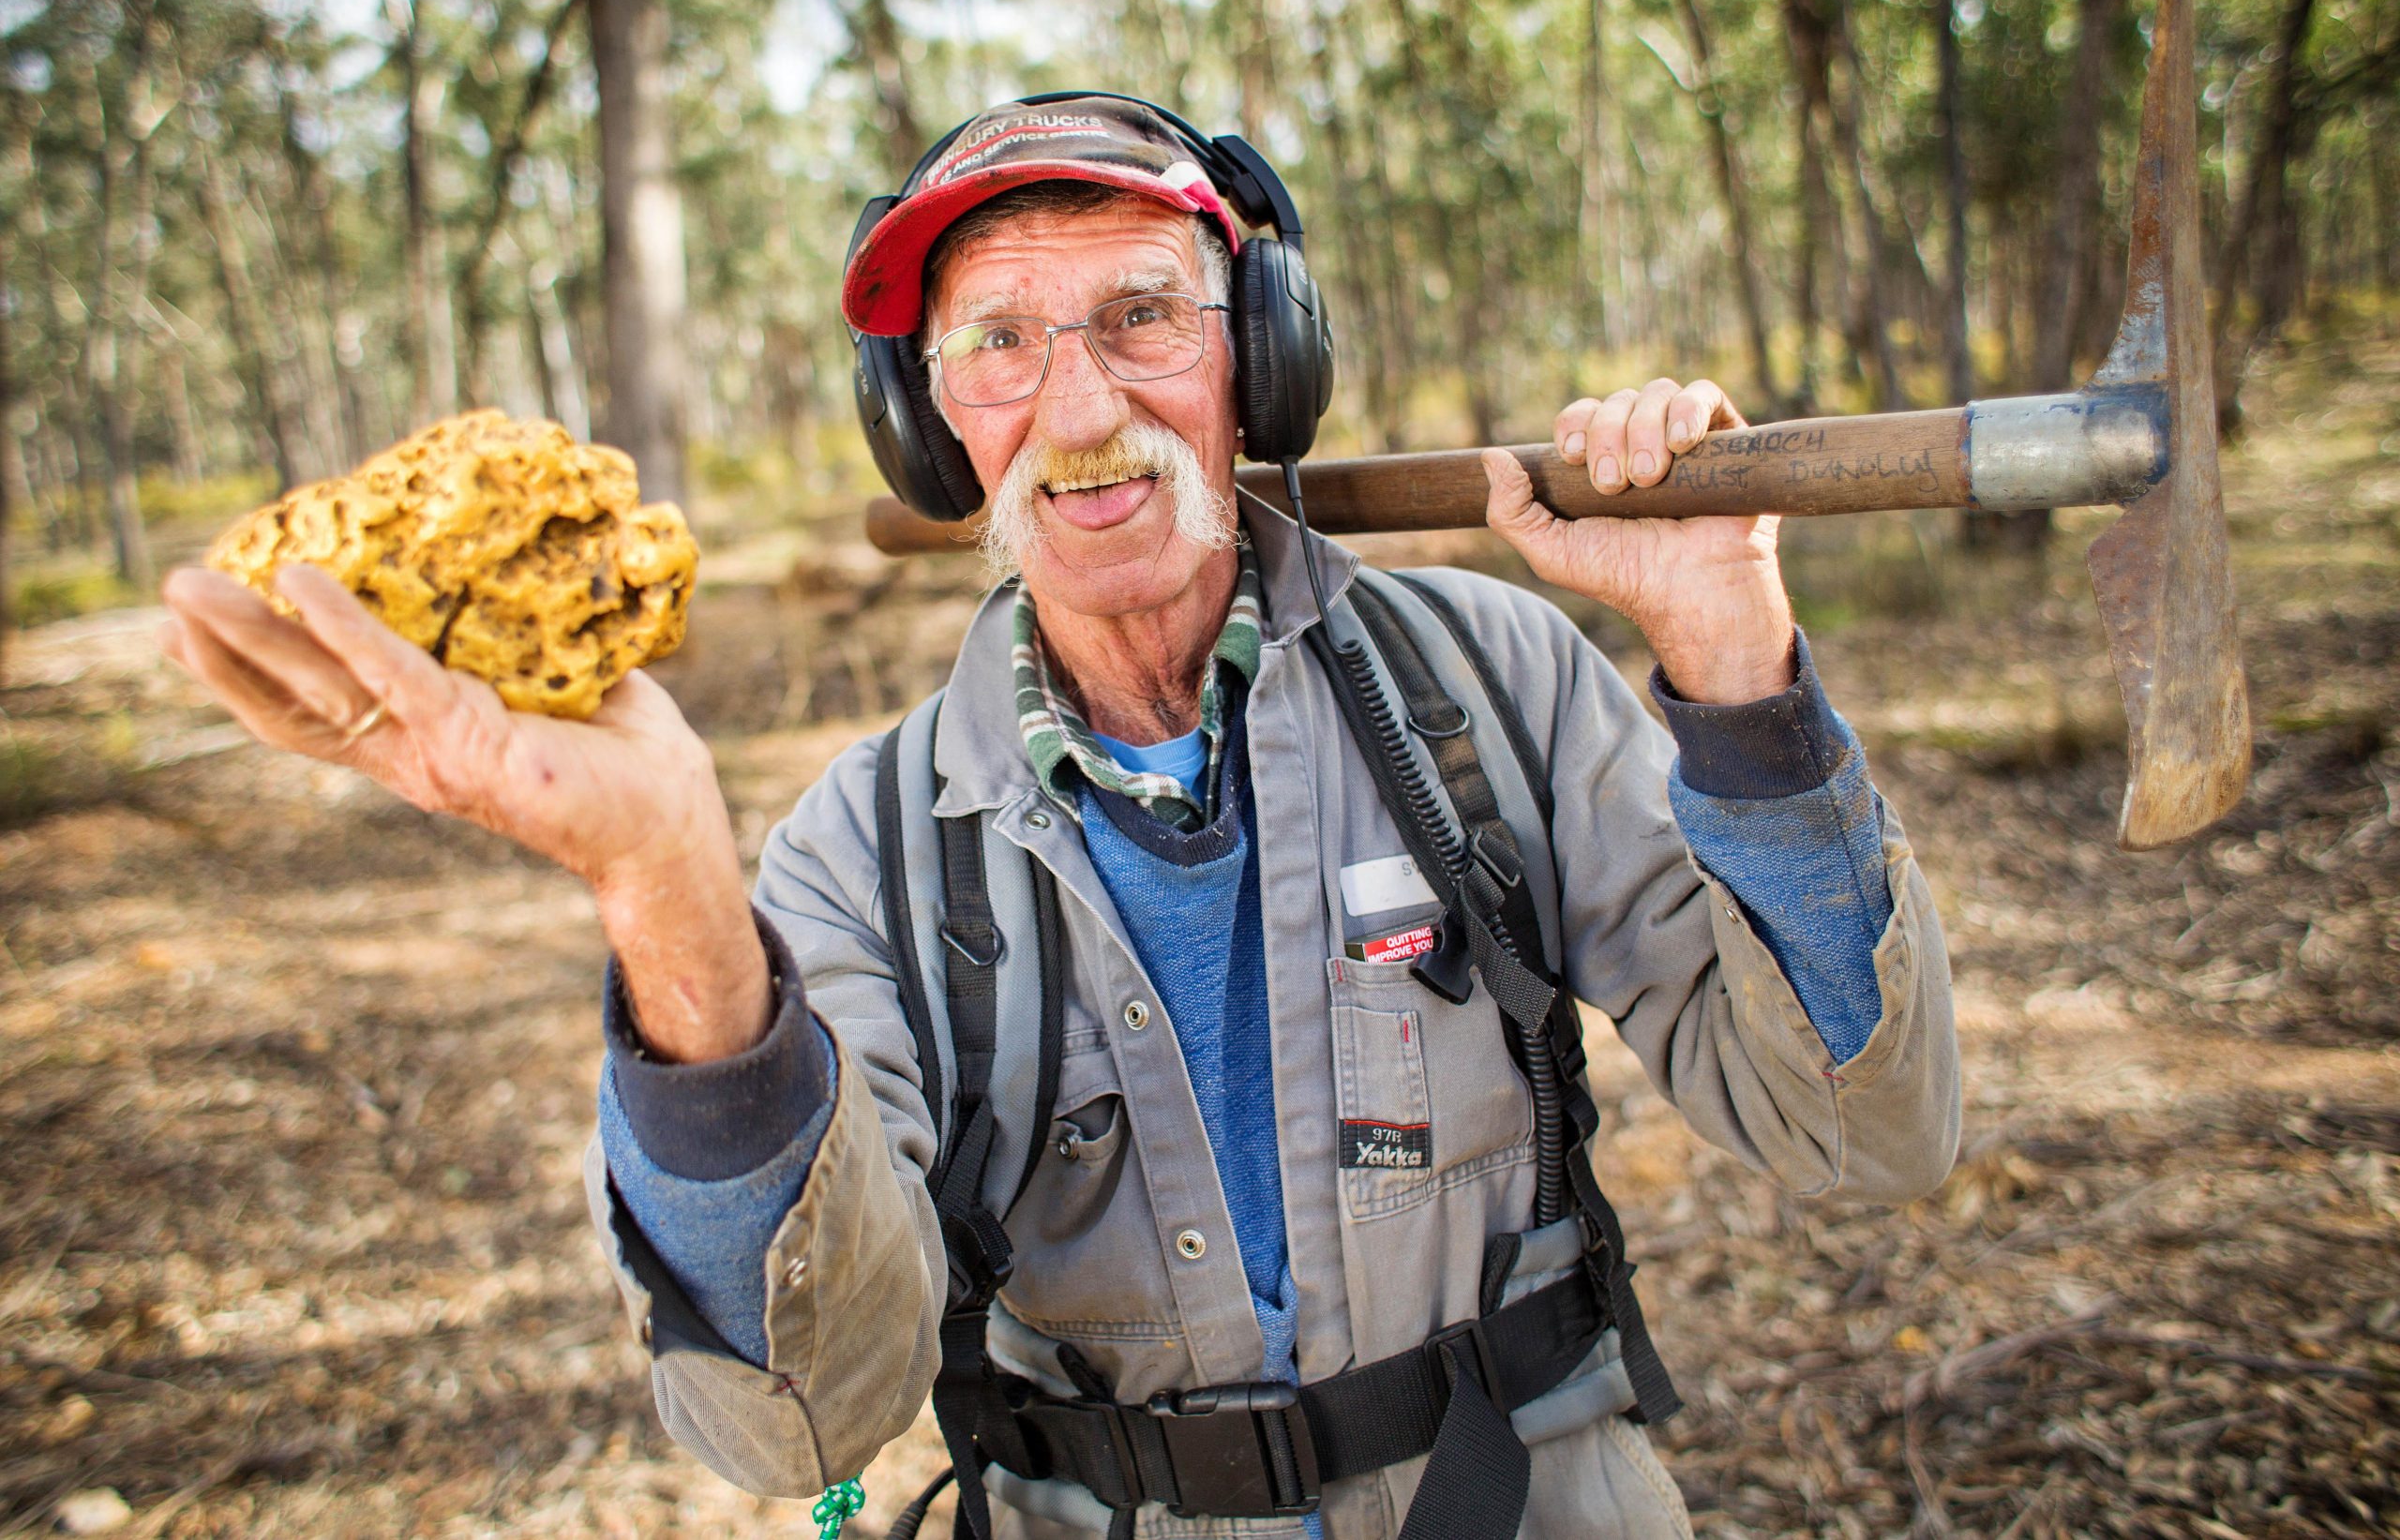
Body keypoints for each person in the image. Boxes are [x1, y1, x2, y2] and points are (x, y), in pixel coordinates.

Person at [159, 95, 1958, 1540]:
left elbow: (1870, 1137)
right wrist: (665, 880)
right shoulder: (854, 856)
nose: (1082, 411)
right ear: (931, 421)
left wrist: (1735, 660)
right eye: (1001, 342)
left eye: (1143, 315)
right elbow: (797, 1418)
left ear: (1260, 350)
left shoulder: (1492, 684)